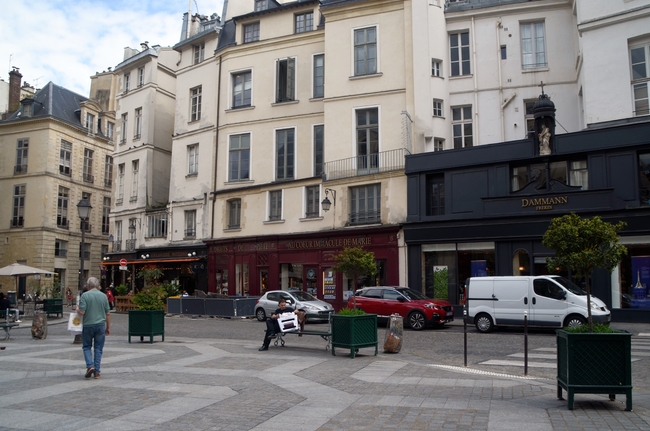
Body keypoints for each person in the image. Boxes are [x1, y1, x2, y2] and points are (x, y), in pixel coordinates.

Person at [76, 277, 110, 379]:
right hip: (100, 325)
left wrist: (77, 309)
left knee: (86, 347)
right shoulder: (103, 296)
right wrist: (108, 327)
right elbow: (108, 313)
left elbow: (82, 312)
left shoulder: (85, 296)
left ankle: (90, 365)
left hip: (88, 325)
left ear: (89, 285)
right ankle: (97, 372)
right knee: (98, 348)